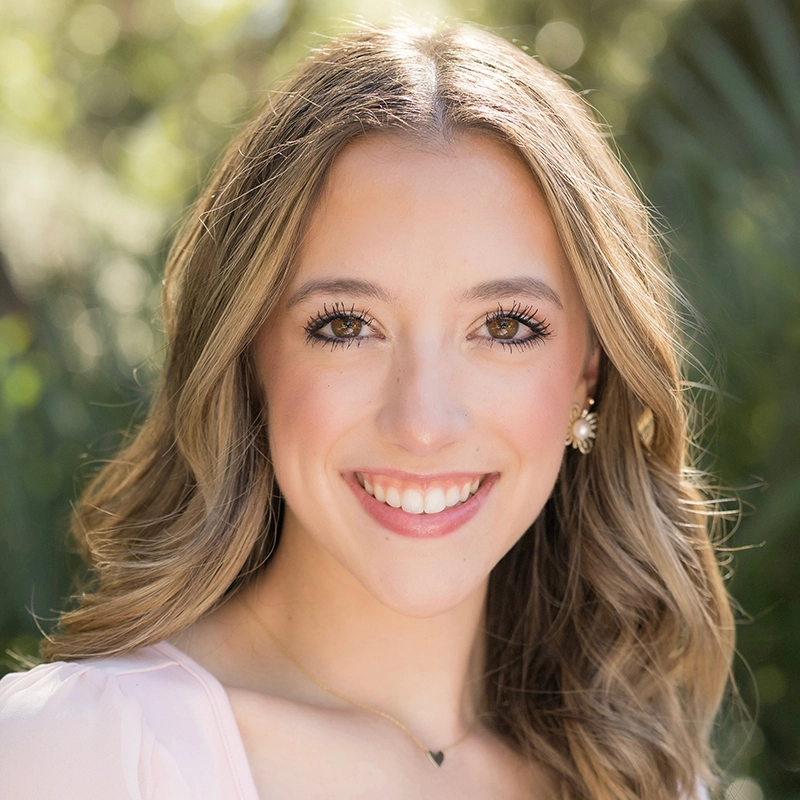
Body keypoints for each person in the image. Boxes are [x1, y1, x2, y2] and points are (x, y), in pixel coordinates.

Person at [0, 21, 734, 800]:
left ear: (590, 370)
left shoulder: (644, 777)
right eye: (347, 325)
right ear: (248, 356)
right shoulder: (84, 750)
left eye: (504, 327)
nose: (423, 422)